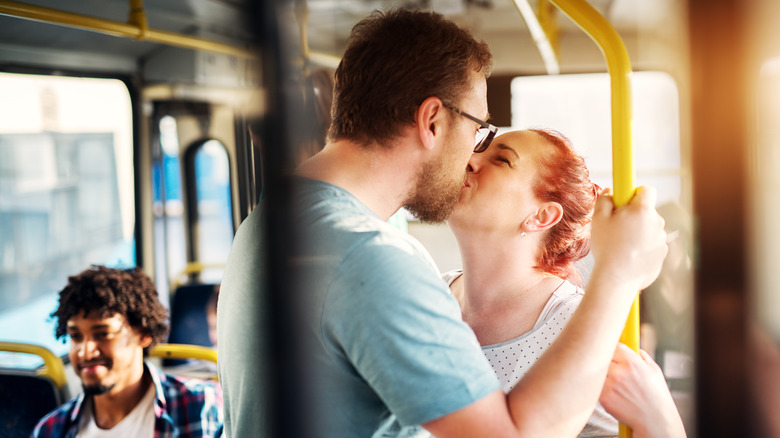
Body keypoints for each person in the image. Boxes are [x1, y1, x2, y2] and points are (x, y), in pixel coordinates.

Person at [217, 8, 668, 438]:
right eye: (477, 129)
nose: (472, 154)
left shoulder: (266, 223)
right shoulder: (371, 257)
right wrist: (618, 274)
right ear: (432, 120)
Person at [444, 129, 685, 438]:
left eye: (502, 159)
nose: (470, 158)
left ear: (542, 216)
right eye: (480, 148)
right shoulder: (428, 293)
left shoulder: (584, 325)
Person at [33, 266, 223, 438]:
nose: (85, 352)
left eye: (103, 334)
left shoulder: (203, 406)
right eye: (76, 336)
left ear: (144, 334)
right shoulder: (51, 430)